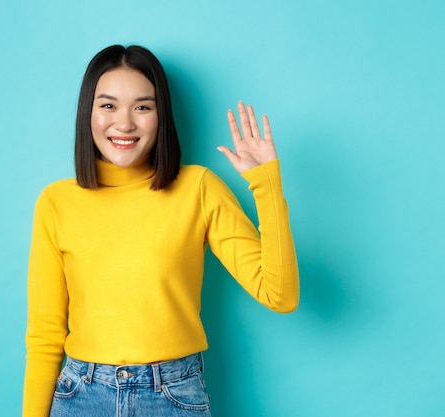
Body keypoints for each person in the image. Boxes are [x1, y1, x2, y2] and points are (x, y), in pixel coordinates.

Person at [23, 44, 299, 417]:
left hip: (173, 396)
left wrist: (266, 183)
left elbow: (279, 294)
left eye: (142, 106)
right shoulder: (56, 202)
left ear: (161, 115)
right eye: (107, 105)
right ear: (87, 113)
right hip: (80, 397)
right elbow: (45, 336)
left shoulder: (198, 188)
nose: (124, 123)